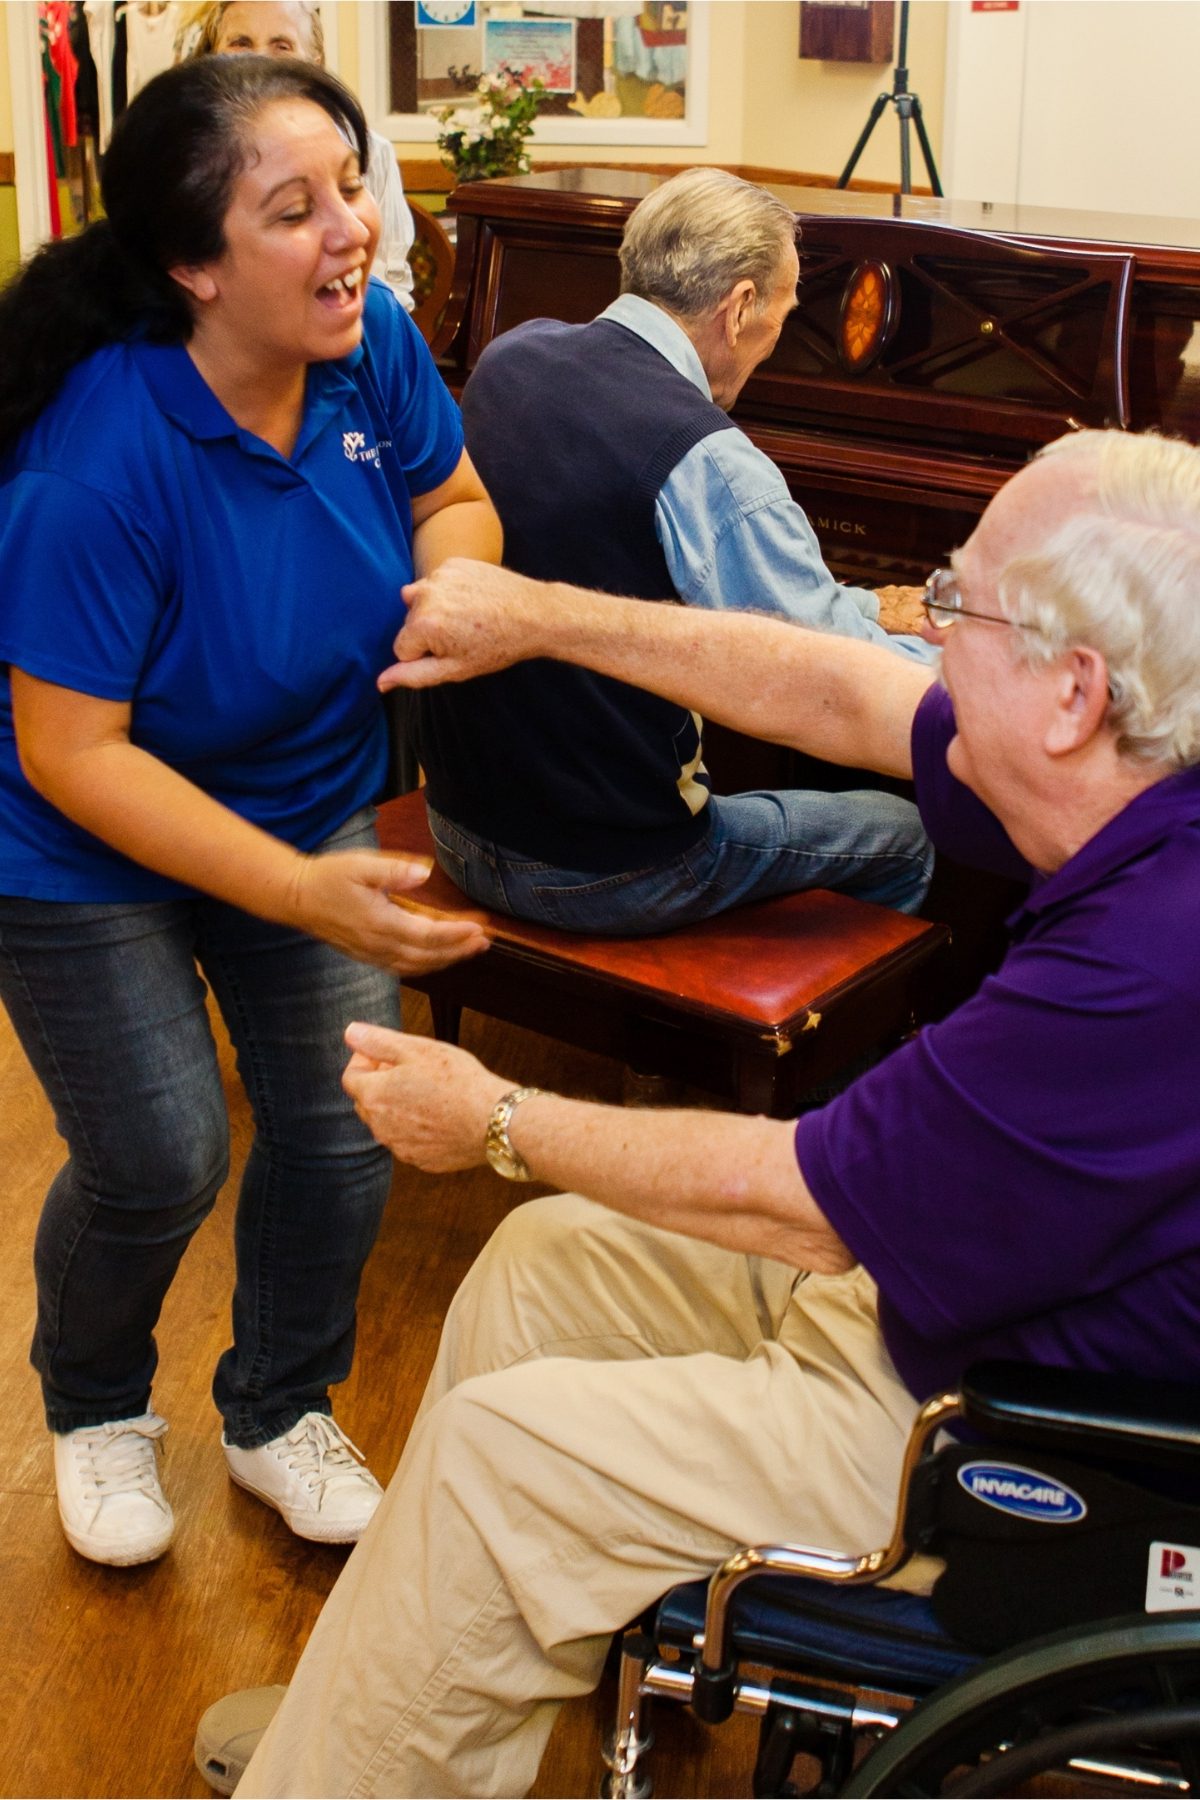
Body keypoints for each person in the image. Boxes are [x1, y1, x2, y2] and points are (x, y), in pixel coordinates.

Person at [199, 427, 1200, 1797]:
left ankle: (351, 1767)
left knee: (508, 1461)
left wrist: (494, 1118)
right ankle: (392, 1724)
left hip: (1018, 1445)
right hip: (967, 1312)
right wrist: (542, 619)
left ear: (1075, 692)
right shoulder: (1124, 779)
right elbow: (837, 690)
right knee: (540, 1269)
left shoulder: (1158, 959)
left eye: (959, 600)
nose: (928, 625)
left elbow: (795, 1198)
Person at [0, 54, 501, 1568]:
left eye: (351, 185)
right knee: (160, 1158)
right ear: (194, 268)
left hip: (306, 795)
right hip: (82, 846)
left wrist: (456, 590)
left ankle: (278, 1407)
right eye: (298, 208)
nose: (354, 227)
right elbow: (76, 754)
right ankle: (95, 1408)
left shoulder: (370, 349)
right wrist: (296, 889)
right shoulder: (97, 464)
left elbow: (454, 496)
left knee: (341, 1135)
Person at [413, 167, 936, 938]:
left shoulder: (510, 357)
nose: (769, 349)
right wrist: (968, 670)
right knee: (909, 837)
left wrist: (864, 604)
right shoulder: (708, 457)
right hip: (607, 869)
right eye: (783, 319)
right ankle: (803, 1044)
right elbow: (828, 669)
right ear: (741, 307)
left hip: (458, 825)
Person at [183, 0, 417, 311]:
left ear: (313, 63)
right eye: (241, 42)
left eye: (282, 45)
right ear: (213, 56)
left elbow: (391, 282)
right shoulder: (185, 160)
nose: (260, 59)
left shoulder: (370, 155)